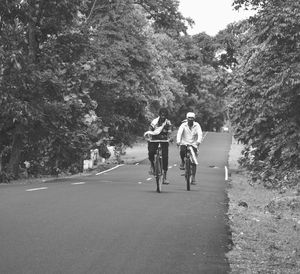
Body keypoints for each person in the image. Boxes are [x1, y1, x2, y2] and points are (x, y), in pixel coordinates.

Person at [144, 108, 172, 184]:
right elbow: (150, 129)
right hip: (154, 140)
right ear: (159, 114)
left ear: (166, 115)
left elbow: (169, 132)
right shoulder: (154, 121)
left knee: (165, 157)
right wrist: (149, 137)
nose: (163, 115)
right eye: (162, 113)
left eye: (164, 114)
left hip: (164, 141)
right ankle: (152, 166)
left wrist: (169, 138)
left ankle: (165, 177)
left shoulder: (168, 123)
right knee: (151, 153)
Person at [176, 112, 203, 185]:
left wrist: (198, 141)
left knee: (194, 162)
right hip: (184, 143)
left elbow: (200, 134)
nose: (190, 119)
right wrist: (178, 141)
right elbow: (179, 133)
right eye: (189, 118)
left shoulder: (197, 125)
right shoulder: (183, 125)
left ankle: (193, 178)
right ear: (187, 118)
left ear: (194, 119)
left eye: (192, 118)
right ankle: (182, 161)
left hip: (193, 144)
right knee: (182, 151)